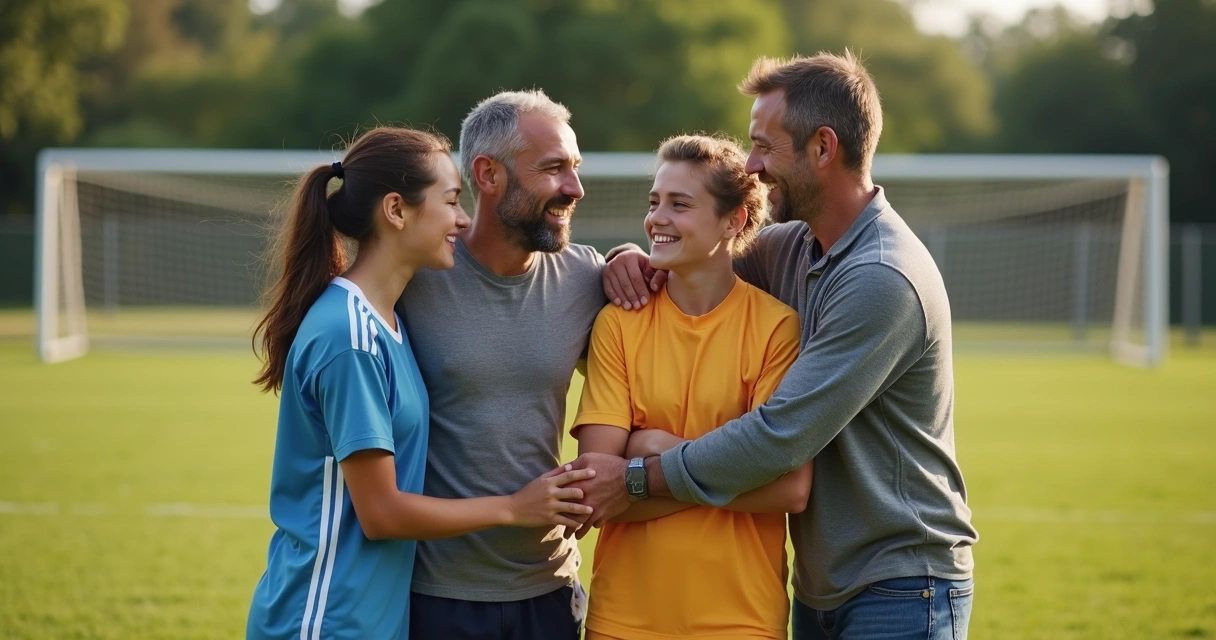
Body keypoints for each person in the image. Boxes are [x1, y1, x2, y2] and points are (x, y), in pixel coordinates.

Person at [577, 51, 979, 640]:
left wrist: (639, 473)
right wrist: (629, 260)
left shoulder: (882, 277)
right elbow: (698, 253)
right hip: (821, 583)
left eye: (765, 146)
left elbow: (779, 438)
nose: (753, 165)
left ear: (823, 147)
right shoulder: (792, 246)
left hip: (901, 581)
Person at [244, 126, 596, 640]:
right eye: (451, 201)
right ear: (396, 210)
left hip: (374, 615)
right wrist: (515, 508)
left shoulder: (385, 321)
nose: (462, 218)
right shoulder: (350, 338)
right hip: (324, 617)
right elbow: (381, 512)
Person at [572, 134, 811, 640]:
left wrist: (649, 450)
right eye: (654, 201)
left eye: (680, 204)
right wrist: (731, 471)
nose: (657, 217)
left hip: (740, 619)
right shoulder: (619, 324)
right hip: (624, 618)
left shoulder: (775, 328)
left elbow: (788, 488)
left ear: (734, 221)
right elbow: (597, 483)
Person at [395, 91, 609, 639]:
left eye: (576, 168)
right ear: (487, 175)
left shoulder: (590, 278)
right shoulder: (413, 274)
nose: (575, 188)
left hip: (552, 592)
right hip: (435, 595)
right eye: (554, 168)